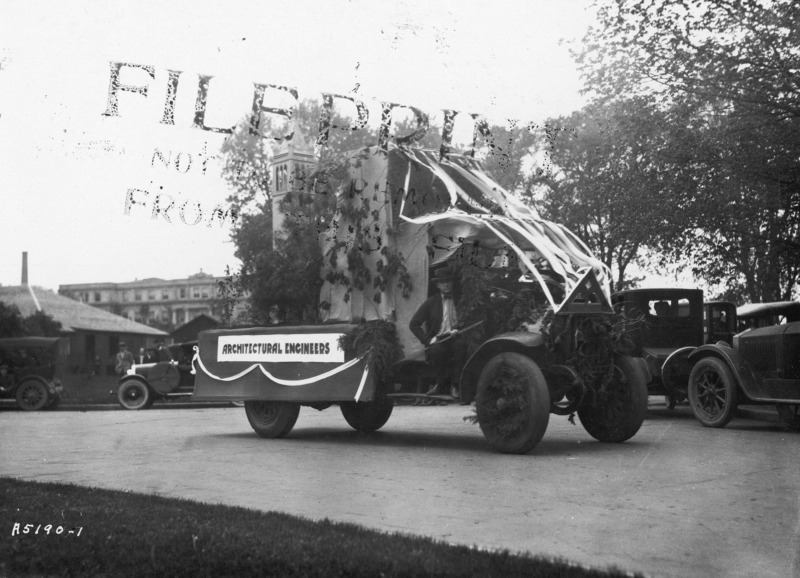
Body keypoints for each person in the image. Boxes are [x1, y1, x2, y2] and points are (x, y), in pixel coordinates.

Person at [409, 266, 468, 399]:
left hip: (456, 336)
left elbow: (468, 319)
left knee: (461, 346)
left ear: (452, 283)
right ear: (437, 285)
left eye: (448, 281)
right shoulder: (431, 302)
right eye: (442, 282)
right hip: (439, 339)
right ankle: (440, 385)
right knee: (436, 350)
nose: (446, 284)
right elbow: (414, 324)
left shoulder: (460, 300)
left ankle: (456, 385)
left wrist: (459, 328)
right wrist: (428, 340)